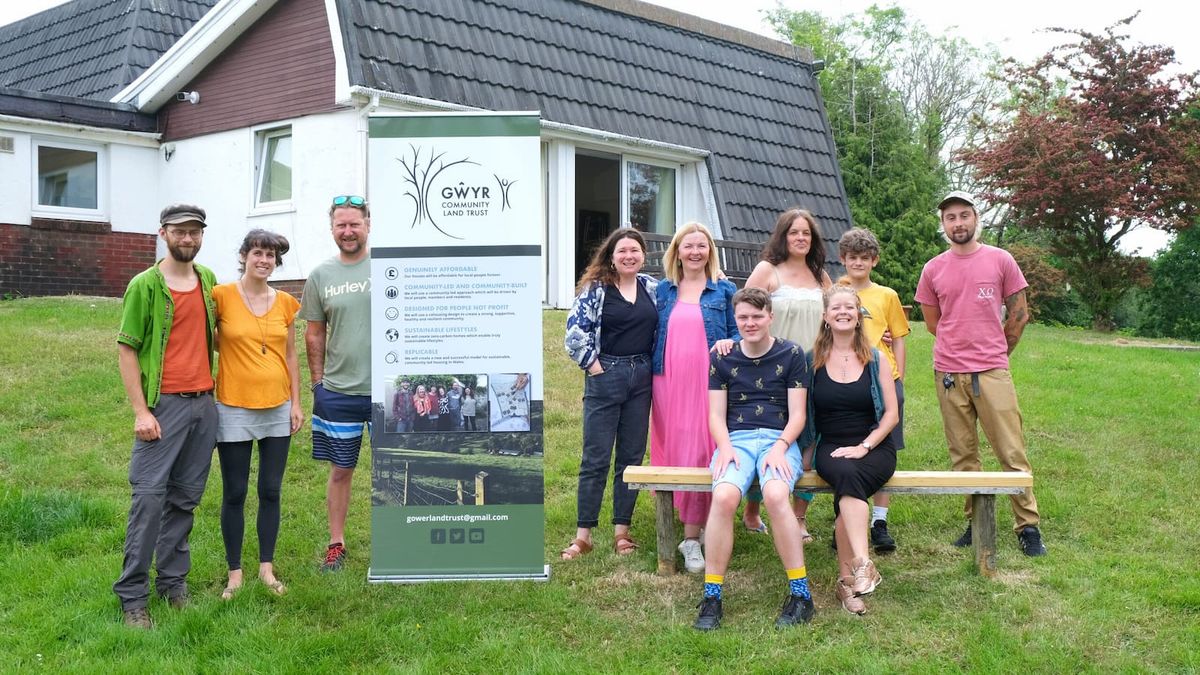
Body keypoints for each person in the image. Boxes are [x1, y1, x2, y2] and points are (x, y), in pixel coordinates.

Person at [915, 191, 1046, 556]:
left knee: (1011, 450)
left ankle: (1028, 526)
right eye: (950, 218)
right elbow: (932, 322)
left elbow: (1019, 314)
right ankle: (975, 523)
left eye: (964, 215)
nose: (958, 223)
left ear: (976, 219)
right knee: (963, 455)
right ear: (943, 225)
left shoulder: (1000, 260)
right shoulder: (933, 269)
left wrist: (997, 351)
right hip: (948, 372)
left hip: (991, 370)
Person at [113, 204, 218, 629]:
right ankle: (132, 596)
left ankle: (173, 584)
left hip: (204, 406)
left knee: (185, 499)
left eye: (194, 231)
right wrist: (141, 411)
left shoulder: (208, 280)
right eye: (180, 232)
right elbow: (126, 348)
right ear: (163, 233)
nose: (187, 238)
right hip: (164, 407)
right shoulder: (145, 285)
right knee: (149, 500)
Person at [694, 287, 813, 630]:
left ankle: (801, 594)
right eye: (743, 317)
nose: (751, 323)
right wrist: (726, 447)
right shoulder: (722, 357)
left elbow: (798, 415)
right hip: (737, 440)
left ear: (770, 317)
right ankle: (712, 596)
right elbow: (716, 415)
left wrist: (781, 446)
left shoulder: (791, 354)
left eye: (758, 316)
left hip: (779, 438)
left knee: (776, 495)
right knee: (724, 495)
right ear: (735, 319)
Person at [212, 229, 302, 600]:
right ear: (245, 255)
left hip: (277, 405)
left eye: (271, 256)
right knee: (234, 492)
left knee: (270, 490)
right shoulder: (221, 296)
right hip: (232, 404)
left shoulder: (286, 303)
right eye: (258, 253)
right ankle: (235, 572)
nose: (264, 260)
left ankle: (266, 567)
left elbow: (291, 356)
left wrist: (296, 403)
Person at [562, 228, 657, 559]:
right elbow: (575, 333)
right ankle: (583, 535)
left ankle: (622, 532)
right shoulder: (596, 289)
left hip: (642, 378)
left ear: (643, 255)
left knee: (630, 458)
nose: (629, 256)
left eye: (635, 250)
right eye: (622, 251)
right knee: (596, 458)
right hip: (607, 375)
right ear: (611, 256)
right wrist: (594, 366)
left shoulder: (652, 289)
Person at [652, 222, 738, 574]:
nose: (695, 252)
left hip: (709, 380)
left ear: (710, 252)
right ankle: (690, 534)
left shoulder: (724, 290)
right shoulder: (662, 290)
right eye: (688, 246)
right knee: (678, 450)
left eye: (702, 246)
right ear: (677, 251)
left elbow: (738, 331)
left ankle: (697, 531)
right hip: (668, 381)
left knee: (705, 449)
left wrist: (730, 343)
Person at [742, 208, 833, 540]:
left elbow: (836, 317)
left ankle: (798, 516)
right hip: (772, 368)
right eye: (794, 232)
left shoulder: (820, 276)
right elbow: (744, 310)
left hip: (815, 366)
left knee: (810, 438)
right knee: (765, 436)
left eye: (806, 233)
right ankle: (752, 511)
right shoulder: (768, 270)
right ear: (783, 236)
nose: (800, 238)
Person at [808, 285, 899, 615]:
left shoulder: (876, 358)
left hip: (874, 446)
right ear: (826, 316)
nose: (843, 312)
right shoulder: (812, 361)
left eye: (850, 307)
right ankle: (861, 565)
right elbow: (805, 415)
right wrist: (804, 456)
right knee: (846, 474)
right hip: (831, 448)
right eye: (836, 307)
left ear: (859, 315)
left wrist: (865, 446)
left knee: (851, 478)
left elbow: (891, 414)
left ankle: (850, 581)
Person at [300, 194, 372, 572]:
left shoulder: (390, 267)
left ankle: (402, 541)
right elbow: (314, 334)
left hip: (389, 392)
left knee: (397, 469)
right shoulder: (320, 276)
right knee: (341, 470)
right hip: (339, 391)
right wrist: (317, 384)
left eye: (354, 224)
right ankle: (336, 543)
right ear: (332, 230)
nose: (348, 231)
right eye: (341, 225)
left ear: (368, 225)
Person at [837, 227, 910, 552]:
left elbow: (899, 337)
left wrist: (900, 377)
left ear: (874, 261)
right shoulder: (835, 290)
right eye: (852, 258)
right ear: (843, 259)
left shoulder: (886, 295)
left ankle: (879, 520)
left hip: (884, 379)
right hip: (846, 379)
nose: (858, 263)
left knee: (884, 448)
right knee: (844, 449)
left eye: (864, 258)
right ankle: (843, 518)